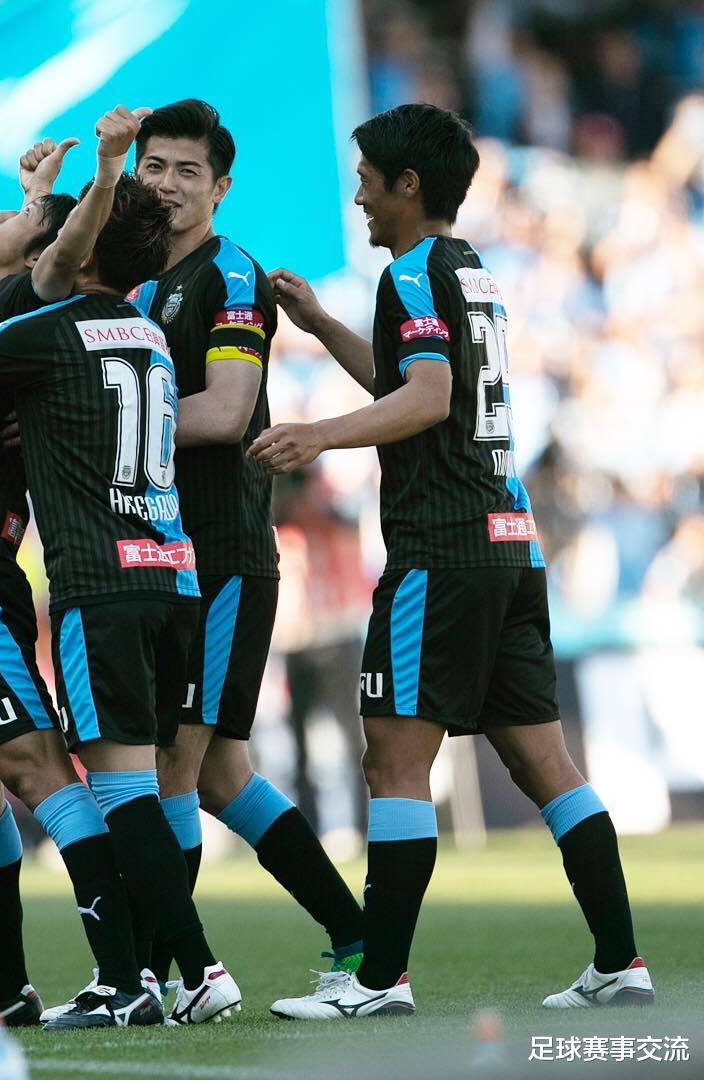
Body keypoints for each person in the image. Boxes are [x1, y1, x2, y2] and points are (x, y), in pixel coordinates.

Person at [250, 102, 653, 1018]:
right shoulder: (470, 270)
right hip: (509, 541)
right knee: (547, 765)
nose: (358, 195)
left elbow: (427, 399)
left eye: (367, 180)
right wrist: (320, 322)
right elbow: (415, 383)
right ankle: (620, 963)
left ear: (408, 184)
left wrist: (318, 434)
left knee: (393, 765)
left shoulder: (409, 273)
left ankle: (376, 980)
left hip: (443, 549)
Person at [0, 154, 241, 1027]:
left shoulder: (28, 313)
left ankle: (138, 972)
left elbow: (48, 266)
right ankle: (5, 983)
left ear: (60, 255)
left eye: (19, 216)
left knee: (44, 772)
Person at [127, 100, 366, 990]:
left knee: (173, 765)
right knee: (223, 775)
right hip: (164, 551)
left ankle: (156, 974)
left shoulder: (231, 275)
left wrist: (107, 428)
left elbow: (228, 411)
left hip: (220, 553)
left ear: (220, 188)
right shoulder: (134, 281)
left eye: (188, 171)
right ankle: (360, 936)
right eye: (155, 167)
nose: (168, 184)